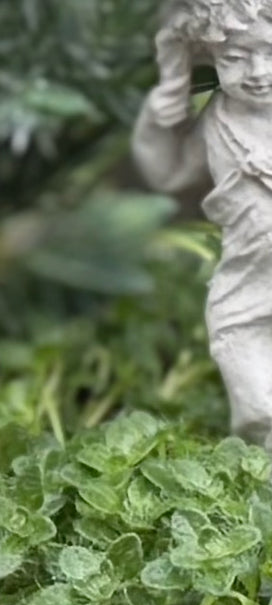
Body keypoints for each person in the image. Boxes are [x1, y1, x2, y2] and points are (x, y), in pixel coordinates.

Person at [133, 0, 272, 445]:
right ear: (211, 58)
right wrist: (162, 114)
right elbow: (170, 174)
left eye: (270, 52)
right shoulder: (218, 121)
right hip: (247, 279)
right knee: (256, 397)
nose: (257, 71)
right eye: (235, 58)